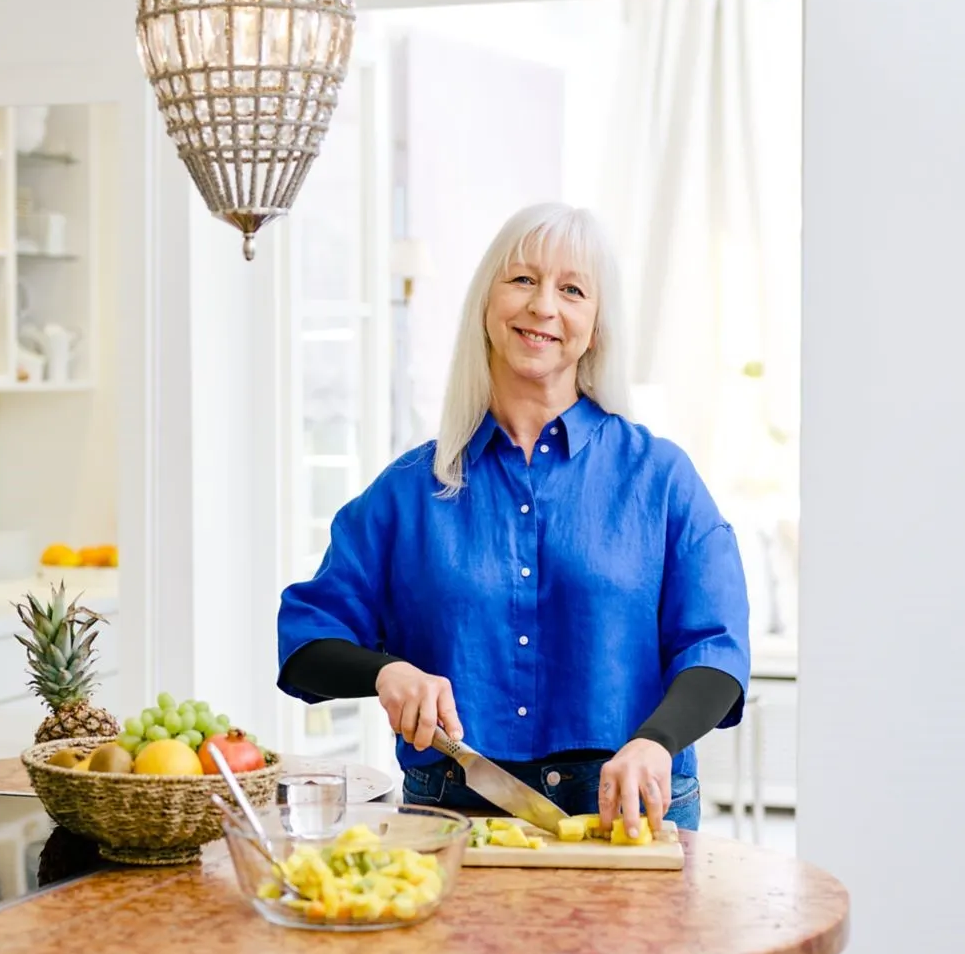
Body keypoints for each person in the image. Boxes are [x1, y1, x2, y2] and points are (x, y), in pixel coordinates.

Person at [275, 202, 751, 838]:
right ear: (485, 304)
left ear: (597, 327)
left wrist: (657, 742)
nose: (543, 306)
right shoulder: (408, 493)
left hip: (630, 811)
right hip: (452, 810)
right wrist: (387, 672)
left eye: (573, 290)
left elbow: (717, 648)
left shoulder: (660, 478)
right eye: (522, 279)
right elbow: (305, 641)